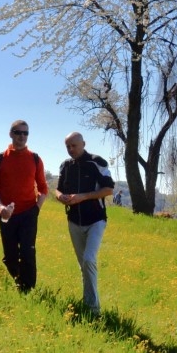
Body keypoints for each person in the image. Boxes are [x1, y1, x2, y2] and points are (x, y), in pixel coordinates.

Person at [55, 132, 114, 315]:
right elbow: (58, 189)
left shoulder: (97, 162)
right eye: (68, 147)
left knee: (89, 259)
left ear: (83, 144)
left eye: (74, 145)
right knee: (83, 264)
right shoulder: (65, 166)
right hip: (74, 220)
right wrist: (61, 197)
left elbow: (109, 189)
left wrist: (83, 197)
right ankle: (88, 303)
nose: (71, 149)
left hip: (95, 220)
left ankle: (93, 309)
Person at [0, 120, 47, 293]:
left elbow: (43, 187)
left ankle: (27, 291)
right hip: (6, 214)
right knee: (10, 257)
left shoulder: (35, 159)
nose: (22, 136)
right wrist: (1, 207)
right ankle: (19, 280)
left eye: (25, 133)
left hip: (29, 213)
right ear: (11, 134)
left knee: (28, 253)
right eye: (18, 132)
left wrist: (37, 208)